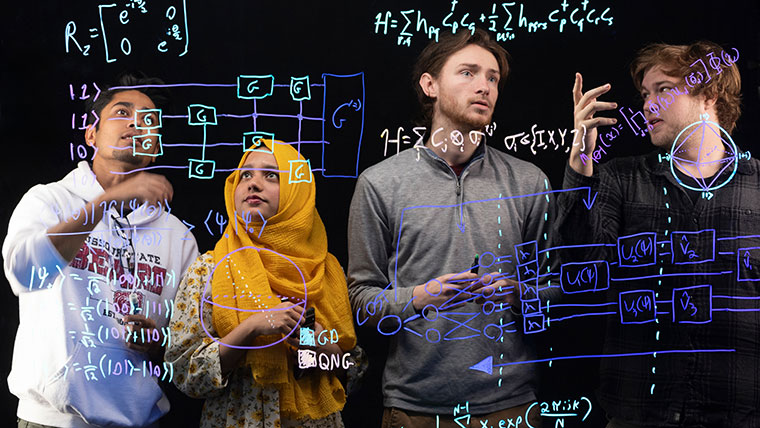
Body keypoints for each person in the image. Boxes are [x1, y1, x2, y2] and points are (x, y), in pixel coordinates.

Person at [348, 28, 556, 427]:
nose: (484, 86)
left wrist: (518, 294)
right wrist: (421, 297)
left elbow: (558, 291)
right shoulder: (379, 184)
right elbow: (360, 300)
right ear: (430, 85)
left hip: (509, 406)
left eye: (493, 78)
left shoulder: (529, 181)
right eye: (468, 73)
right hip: (415, 408)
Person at [556, 41, 760, 427]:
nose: (648, 105)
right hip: (637, 413)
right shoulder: (621, 179)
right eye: (645, 94)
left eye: (663, 90)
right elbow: (581, 275)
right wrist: (580, 161)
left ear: (709, 94)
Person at [2, 72, 199, 427]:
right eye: (122, 112)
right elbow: (23, 273)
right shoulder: (49, 201)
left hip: (141, 421)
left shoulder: (179, 237)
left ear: (155, 147)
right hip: (51, 420)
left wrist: (157, 341)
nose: (135, 123)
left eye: (148, 120)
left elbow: (188, 346)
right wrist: (105, 201)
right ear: (91, 134)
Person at [166, 139, 359, 428]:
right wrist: (252, 327)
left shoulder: (326, 270)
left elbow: (354, 373)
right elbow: (184, 373)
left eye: (271, 175)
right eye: (245, 174)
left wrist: (321, 345)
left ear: (297, 190)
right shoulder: (209, 269)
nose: (253, 183)